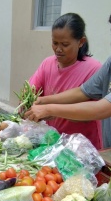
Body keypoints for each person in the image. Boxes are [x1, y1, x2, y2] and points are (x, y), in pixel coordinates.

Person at [24, 14, 111, 149]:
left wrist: (49, 109)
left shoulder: (93, 67)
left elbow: (102, 109)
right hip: (57, 142)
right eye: (55, 43)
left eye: (65, 44)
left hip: (83, 146)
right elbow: (83, 91)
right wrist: (44, 101)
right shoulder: (110, 64)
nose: (58, 49)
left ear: (81, 42)